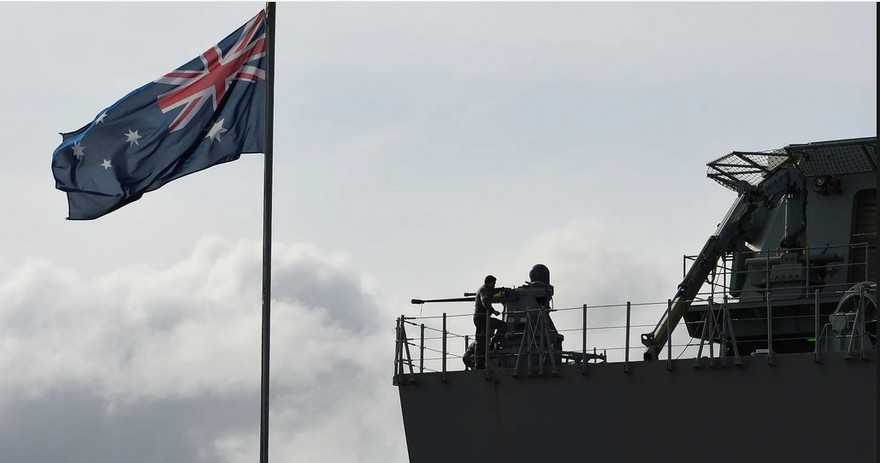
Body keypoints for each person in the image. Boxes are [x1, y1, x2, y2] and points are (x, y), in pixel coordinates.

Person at [473, 275, 507, 369]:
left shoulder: (486, 290)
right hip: (481, 319)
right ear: (489, 282)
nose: (494, 285)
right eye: (493, 283)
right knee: (481, 340)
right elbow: (485, 301)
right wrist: (493, 311)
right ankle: (479, 364)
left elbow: (492, 292)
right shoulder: (483, 290)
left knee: (482, 340)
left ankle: (480, 363)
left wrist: (502, 290)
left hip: (482, 318)